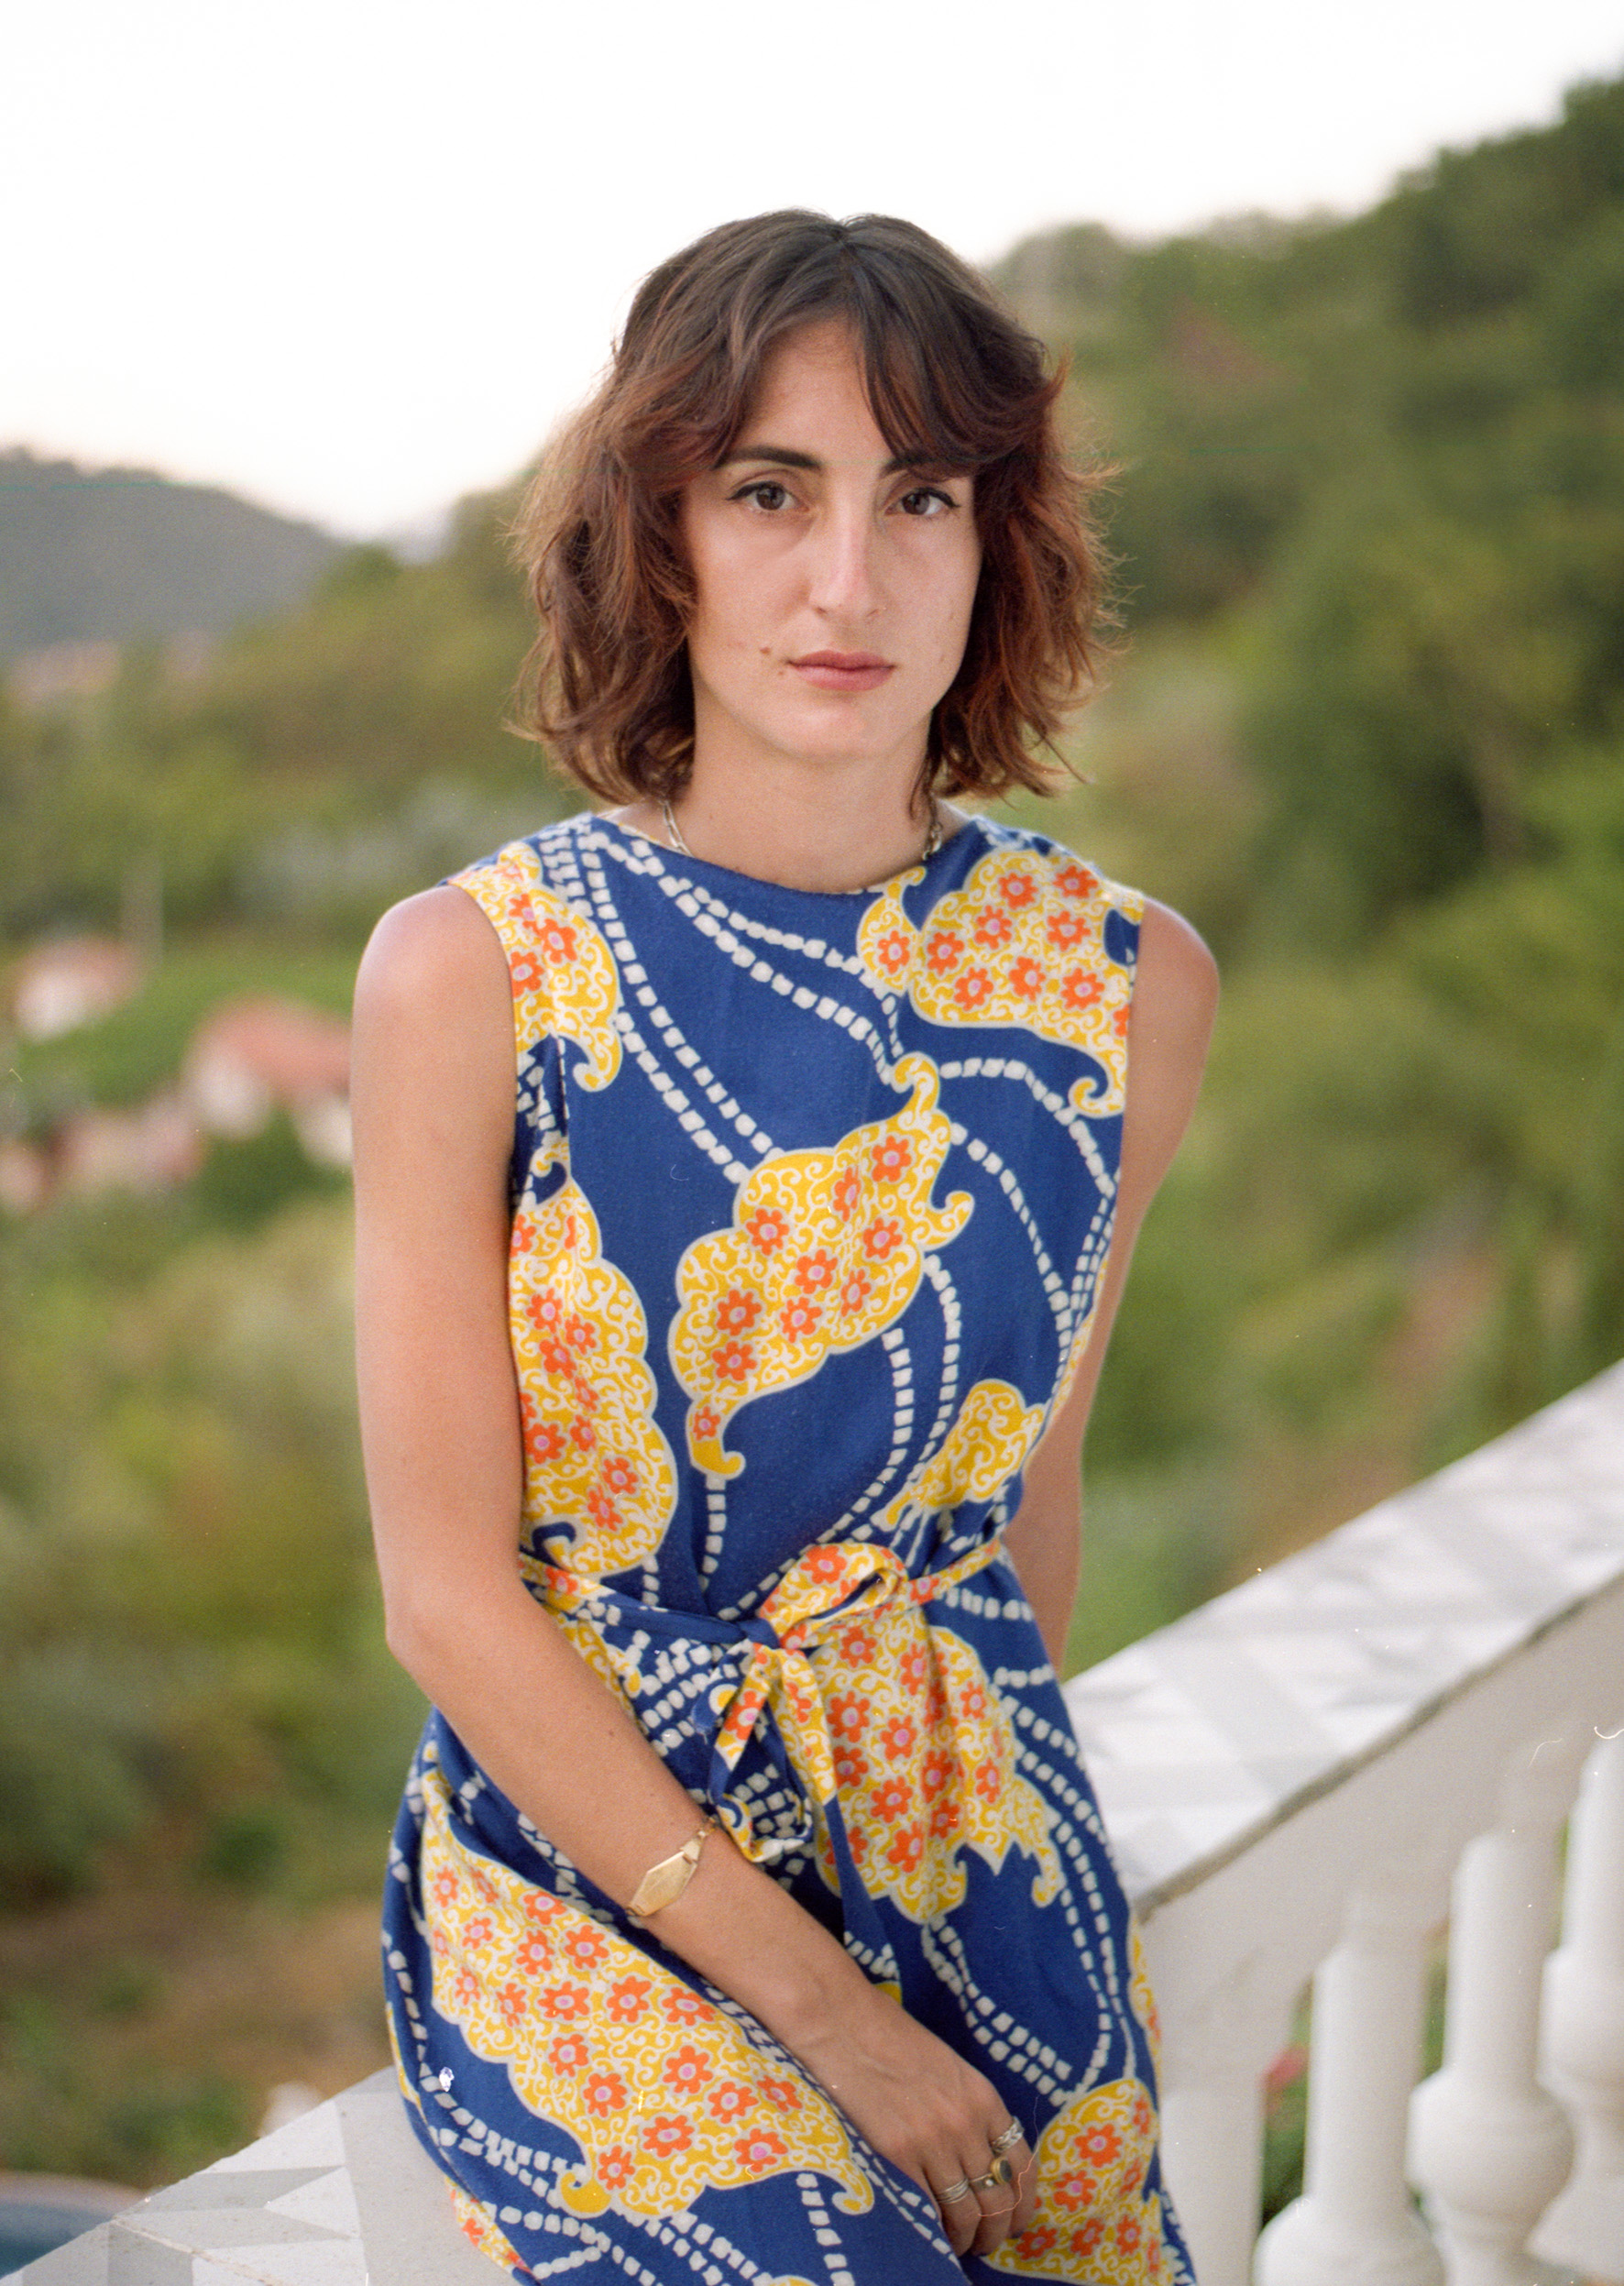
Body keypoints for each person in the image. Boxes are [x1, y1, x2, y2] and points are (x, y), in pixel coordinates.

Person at [352, 210, 1217, 2285]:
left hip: (969, 1840)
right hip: (599, 1878)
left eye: (920, 497)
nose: (850, 579)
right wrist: (824, 2004)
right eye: (769, 491)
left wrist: (986, 1866)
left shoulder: (1120, 987)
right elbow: (446, 1595)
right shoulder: (476, 973)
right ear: (660, 536)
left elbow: (1021, 1507)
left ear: (996, 545)